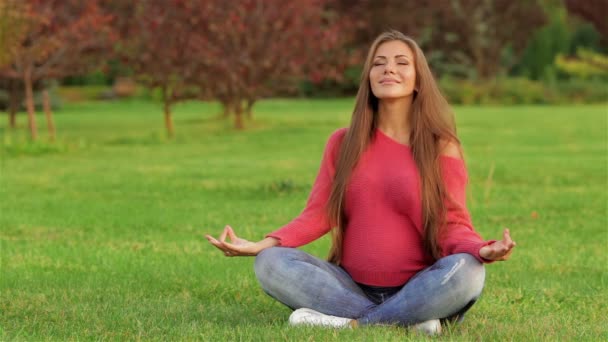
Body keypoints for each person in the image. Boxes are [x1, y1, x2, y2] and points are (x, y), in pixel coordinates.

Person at [206, 30, 515, 336]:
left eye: (401, 62)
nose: (388, 69)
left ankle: (354, 325)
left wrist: (481, 250)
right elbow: (319, 213)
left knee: (470, 272)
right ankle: (411, 321)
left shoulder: (441, 145)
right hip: (348, 286)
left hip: (420, 283)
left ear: (419, 80)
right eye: (378, 63)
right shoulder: (342, 143)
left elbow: (452, 222)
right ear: (369, 77)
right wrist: (264, 244)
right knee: (269, 264)